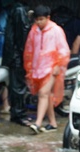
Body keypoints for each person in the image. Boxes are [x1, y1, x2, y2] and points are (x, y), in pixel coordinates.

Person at [23, 5, 70, 134]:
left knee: (43, 93)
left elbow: (64, 50)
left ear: (48, 18)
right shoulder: (34, 31)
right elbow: (29, 50)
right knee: (46, 95)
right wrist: (30, 68)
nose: (39, 22)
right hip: (38, 68)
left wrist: (58, 65)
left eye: (41, 19)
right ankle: (53, 122)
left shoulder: (56, 30)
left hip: (52, 67)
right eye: (37, 19)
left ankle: (37, 123)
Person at [2, 0, 30, 126]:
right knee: (18, 87)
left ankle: (17, 113)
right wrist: (25, 54)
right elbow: (22, 35)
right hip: (17, 55)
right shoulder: (19, 10)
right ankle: (19, 115)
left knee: (16, 86)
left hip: (13, 54)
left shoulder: (16, 9)